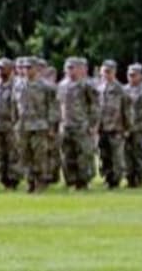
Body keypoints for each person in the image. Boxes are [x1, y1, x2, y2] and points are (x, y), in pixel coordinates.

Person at [14, 57, 58, 193]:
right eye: (25, 68)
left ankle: (41, 180)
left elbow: (52, 107)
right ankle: (30, 181)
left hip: (40, 125)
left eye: (29, 68)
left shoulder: (46, 86)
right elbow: (14, 105)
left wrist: (52, 126)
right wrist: (14, 122)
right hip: (23, 125)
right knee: (25, 154)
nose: (26, 70)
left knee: (39, 154)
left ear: (36, 69)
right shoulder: (18, 85)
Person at [57, 57, 98, 190]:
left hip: (81, 125)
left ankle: (83, 181)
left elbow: (94, 106)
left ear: (80, 69)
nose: (69, 71)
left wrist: (92, 124)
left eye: (72, 68)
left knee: (84, 154)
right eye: (67, 68)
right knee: (67, 154)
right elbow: (59, 105)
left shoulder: (86, 85)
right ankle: (71, 180)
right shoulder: (62, 85)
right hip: (66, 125)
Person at [96, 60, 130, 190]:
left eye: (108, 72)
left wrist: (127, 127)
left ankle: (116, 180)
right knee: (104, 155)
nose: (106, 74)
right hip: (102, 127)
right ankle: (107, 177)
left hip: (116, 127)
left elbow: (126, 110)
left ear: (114, 72)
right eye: (104, 72)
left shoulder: (120, 89)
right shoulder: (99, 88)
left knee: (117, 157)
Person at [0, 58, 20, 190]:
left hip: (11, 125)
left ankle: (13, 180)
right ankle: (3, 179)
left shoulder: (16, 86)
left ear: (11, 69)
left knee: (12, 154)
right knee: (0, 154)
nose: (0, 71)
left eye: (3, 68)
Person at [124, 63, 142, 189]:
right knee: (127, 156)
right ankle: (130, 179)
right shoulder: (124, 90)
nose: (131, 77)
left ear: (140, 76)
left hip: (140, 128)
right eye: (129, 75)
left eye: (134, 75)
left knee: (139, 156)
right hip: (126, 129)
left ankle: (140, 180)